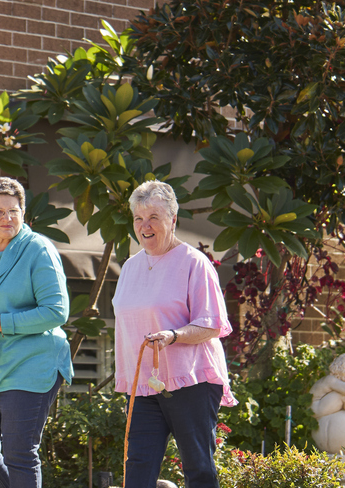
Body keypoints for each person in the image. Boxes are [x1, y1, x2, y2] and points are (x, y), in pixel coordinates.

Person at [114, 180, 237, 488]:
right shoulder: (129, 268)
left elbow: (212, 324)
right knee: (137, 472)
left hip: (190, 381)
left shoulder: (194, 263)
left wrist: (174, 334)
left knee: (198, 469)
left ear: (172, 219)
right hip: (144, 386)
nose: (145, 226)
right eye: (139, 218)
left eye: (154, 217)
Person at [0, 177, 71, 488]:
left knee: (19, 453)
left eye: (14, 211)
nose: (7, 218)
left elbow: (57, 311)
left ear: (23, 213)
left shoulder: (38, 250)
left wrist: (3, 323)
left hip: (32, 365)